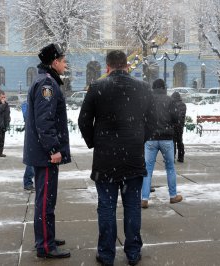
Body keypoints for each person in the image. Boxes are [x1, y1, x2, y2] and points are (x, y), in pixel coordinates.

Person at [78, 50, 153, 266]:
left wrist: (95, 142)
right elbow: (154, 120)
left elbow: (84, 120)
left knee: (107, 208)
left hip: (106, 159)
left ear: (107, 67)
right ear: (127, 65)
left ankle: (106, 254)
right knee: (132, 207)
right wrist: (139, 139)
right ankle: (132, 252)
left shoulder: (97, 88)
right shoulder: (142, 88)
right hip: (133, 158)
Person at [23, 43, 71, 259]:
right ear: (54, 62)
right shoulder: (47, 85)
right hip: (46, 154)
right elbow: (45, 121)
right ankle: (45, 245)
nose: (65, 64)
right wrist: (54, 149)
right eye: (63, 60)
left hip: (42, 152)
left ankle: (46, 236)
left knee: (47, 199)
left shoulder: (46, 80)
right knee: (45, 201)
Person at [141, 79, 183, 209]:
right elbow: (176, 118)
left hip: (150, 139)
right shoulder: (170, 100)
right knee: (170, 167)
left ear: (153, 88)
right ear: (164, 87)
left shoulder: (147, 100)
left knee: (147, 169)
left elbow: (142, 117)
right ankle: (173, 196)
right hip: (166, 139)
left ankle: (144, 198)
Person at [21, 99, 35, 192]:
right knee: (32, 162)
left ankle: (29, 182)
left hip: (36, 135)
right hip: (32, 137)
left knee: (34, 161)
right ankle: (28, 182)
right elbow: (27, 117)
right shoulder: (27, 105)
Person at [171, 91, 187, 163]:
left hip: (173, 126)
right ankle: (181, 157)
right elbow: (182, 115)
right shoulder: (183, 105)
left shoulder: (172, 104)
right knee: (180, 141)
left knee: (173, 142)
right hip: (180, 126)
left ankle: (172, 157)